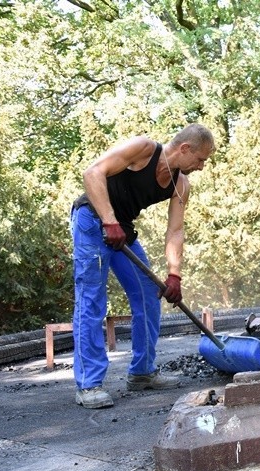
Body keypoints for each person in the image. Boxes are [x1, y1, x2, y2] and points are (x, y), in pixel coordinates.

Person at [69, 124, 215, 408]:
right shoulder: (143, 149)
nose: (201, 167)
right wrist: (108, 221)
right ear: (185, 149)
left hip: (121, 230)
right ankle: (88, 385)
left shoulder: (180, 183)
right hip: (91, 220)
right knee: (92, 300)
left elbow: (175, 231)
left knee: (149, 295)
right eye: (200, 159)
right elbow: (92, 173)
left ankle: (142, 372)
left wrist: (174, 275)